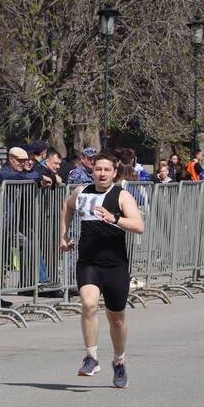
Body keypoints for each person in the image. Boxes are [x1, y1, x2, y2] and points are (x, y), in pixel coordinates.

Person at [59, 151, 145, 388]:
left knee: (116, 319)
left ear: (115, 172)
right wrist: (63, 236)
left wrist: (114, 218)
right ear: (92, 170)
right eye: (98, 169)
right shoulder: (81, 192)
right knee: (88, 304)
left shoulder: (121, 195)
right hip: (88, 262)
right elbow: (66, 208)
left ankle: (119, 361)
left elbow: (139, 226)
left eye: (107, 169)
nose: (102, 173)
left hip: (115, 265)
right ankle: (91, 356)